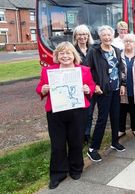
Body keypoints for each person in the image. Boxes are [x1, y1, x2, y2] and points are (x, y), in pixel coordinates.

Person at [36, 42, 95, 189]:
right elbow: (40, 87)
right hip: (56, 113)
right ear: (57, 56)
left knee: (76, 142)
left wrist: (88, 89)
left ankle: (76, 169)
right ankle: (58, 174)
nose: (65, 56)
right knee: (58, 145)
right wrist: (43, 89)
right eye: (61, 53)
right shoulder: (48, 71)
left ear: (73, 55)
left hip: (77, 112)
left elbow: (92, 86)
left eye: (68, 53)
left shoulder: (84, 70)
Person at [87, 25, 127, 162]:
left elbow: (121, 68)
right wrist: (94, 85)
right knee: (102, 119)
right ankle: (93, 148)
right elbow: (87, 70)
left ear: (112, 36)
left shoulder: (116, 50)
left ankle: (115, 142)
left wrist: (123, 84)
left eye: (109, 35)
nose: (107, 37)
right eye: (104, 35)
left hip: (116, 89)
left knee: (115, 116)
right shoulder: (94, 51)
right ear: (100, 37)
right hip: (103, 90)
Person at [72, 24, 95, 144]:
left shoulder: (93, 48)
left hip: (90, 86)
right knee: (78, 113)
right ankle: (78, 135)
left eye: (85, 34)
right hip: (77, 86)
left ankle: (86, 134)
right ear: (75, 36)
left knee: (89, 113)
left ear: (88, 36)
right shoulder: (72, 50)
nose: (82, 37)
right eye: (80, 34)